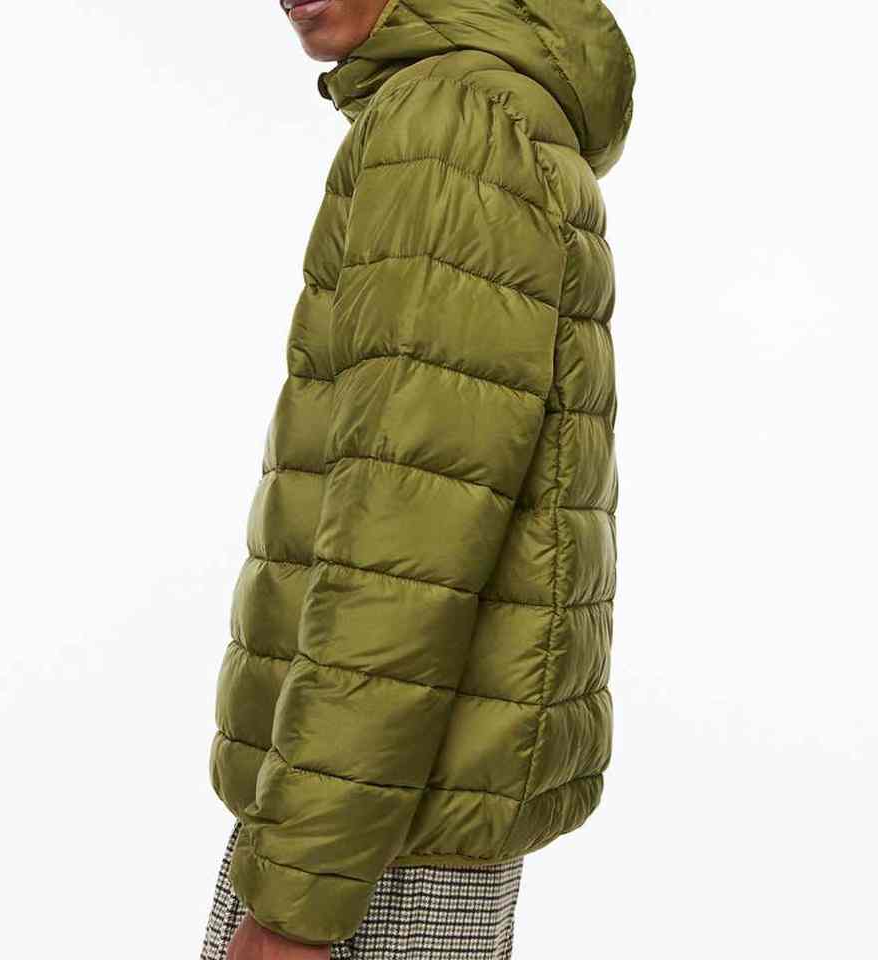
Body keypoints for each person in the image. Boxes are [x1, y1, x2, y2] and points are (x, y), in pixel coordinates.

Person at [202, 1, 635, 957]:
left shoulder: (448, 120)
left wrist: (299, 896)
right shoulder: (498, 109)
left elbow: (406, 544)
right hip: (400, 800)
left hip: (368, 838)